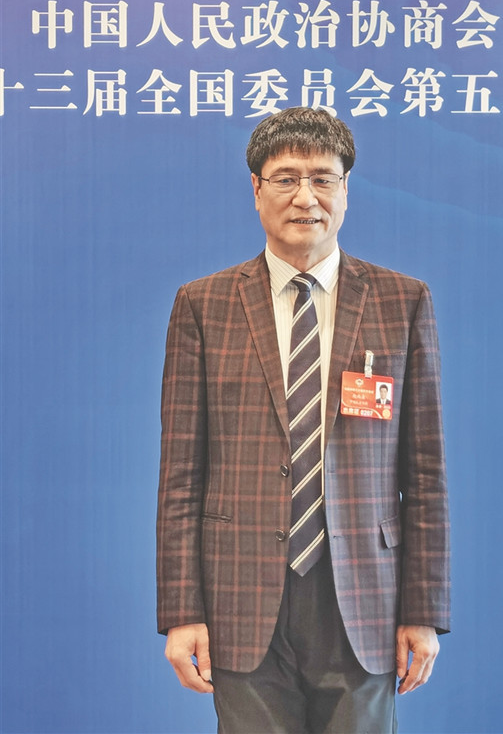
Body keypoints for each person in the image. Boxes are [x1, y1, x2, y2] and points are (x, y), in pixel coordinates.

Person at [157, 107, 450, 734]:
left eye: (323, 178)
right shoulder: (203, 306)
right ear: (256, 189)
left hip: (364, 598)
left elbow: (425, 475)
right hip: (239, 596)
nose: (306, 197)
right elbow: (180, 477)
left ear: (346, 189)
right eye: (286, 178)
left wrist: (423, 610)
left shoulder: (402, 301)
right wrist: (182, 612)